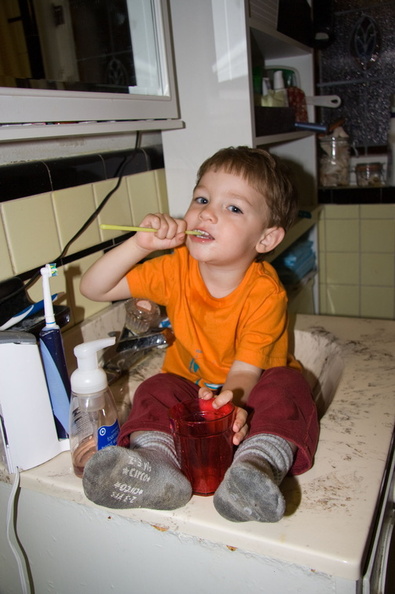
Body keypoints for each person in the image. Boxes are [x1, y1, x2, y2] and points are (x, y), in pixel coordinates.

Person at [80, 146, 319, 523]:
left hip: (249, 396)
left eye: (233, 207)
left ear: (266, 239)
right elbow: (93, 288)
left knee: (289, 385)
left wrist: (231, 409)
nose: (207, 212)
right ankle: (157, 466)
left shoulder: (266, 292)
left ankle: (256, 465)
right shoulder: (175, 268)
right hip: (192, 397)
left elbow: (245, 371)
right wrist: (139, 245)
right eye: (202, 198)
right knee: (155, 388)